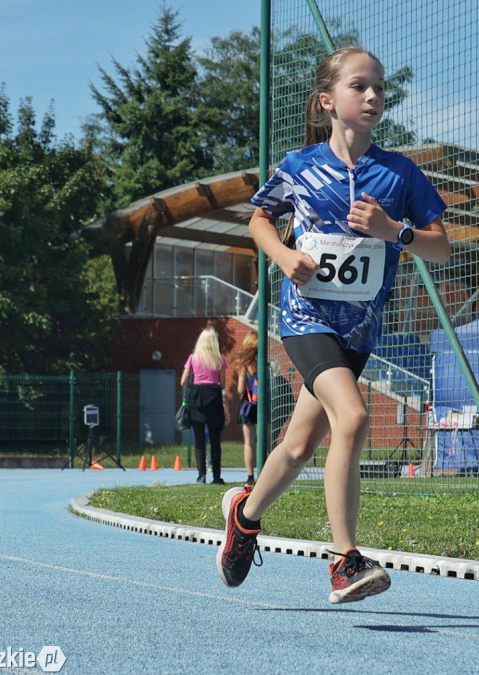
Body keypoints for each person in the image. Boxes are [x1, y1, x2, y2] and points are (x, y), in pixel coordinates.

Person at [216, 46, 451, 604]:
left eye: (379, 88)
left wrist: (396, 231)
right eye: (359, 87)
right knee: (355, 415)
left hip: (359, 331)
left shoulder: (400, 174)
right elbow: (257, 217)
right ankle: (345, 560)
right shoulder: (298, 167)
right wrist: (280, 255)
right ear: (328, 101)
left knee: (298, 448)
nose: (372, 97)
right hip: (306, 319)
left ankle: (244, 517)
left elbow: (441, 248)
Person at [181, 326, 230, 484]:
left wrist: (195, 382)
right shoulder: (220, 358)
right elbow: (222, 384)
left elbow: (183, 381)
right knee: (215, 440)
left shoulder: (193, 358)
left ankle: (201, 475)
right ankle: (217, 476)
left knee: (199, 439)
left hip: (197, 398)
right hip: (213, 398)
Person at [231, 331, 260, 485]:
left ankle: (250, 476)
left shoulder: (245, 363)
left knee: (249, 442)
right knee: (266, 441)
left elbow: (241, 389)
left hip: (248, 405)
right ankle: (265, 472)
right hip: (263, 405)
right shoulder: (264, 360)